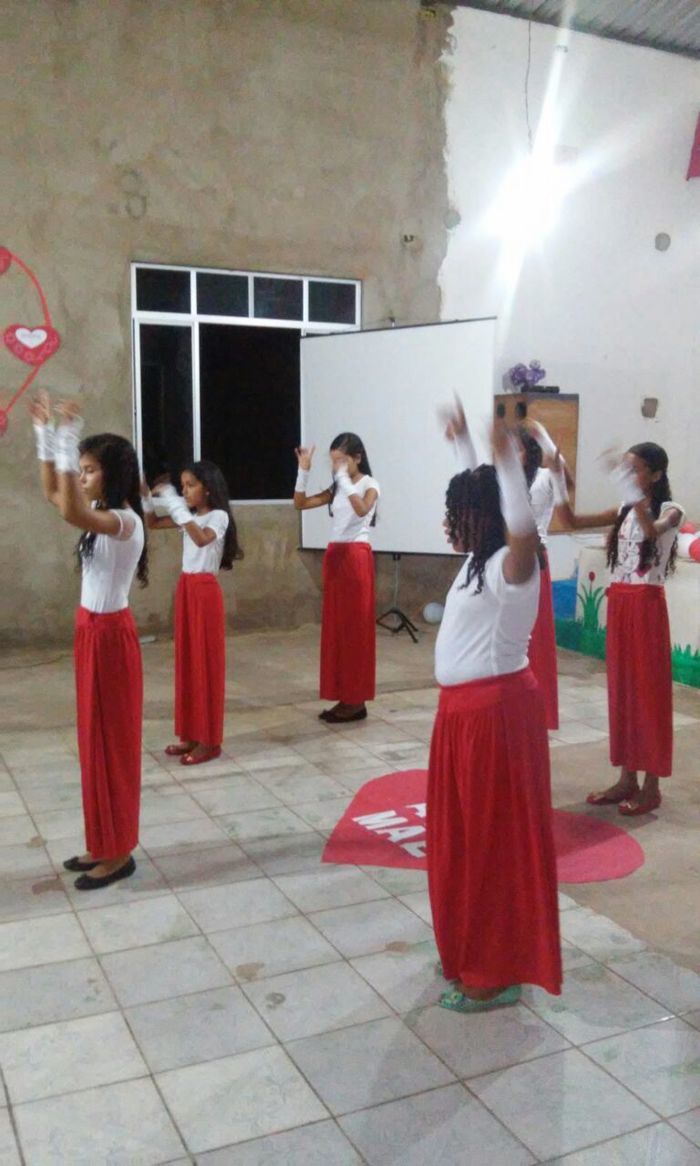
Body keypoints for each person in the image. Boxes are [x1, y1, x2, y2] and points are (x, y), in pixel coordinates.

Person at [428, 420, 562, 1012]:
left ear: (481, 518)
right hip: (461, 716)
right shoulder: (477, 563)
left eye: (455, 514)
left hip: (496, 716)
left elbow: (521, 527)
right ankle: (469, 944)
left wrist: (510, 465)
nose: (445, 525)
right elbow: (474, 487)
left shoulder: (516, 564)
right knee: (460, 841)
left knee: (490, 844)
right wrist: (467, 446)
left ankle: (492, 968)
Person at [30, 391, 147, 890]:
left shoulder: (125, 521)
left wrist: (68, 433)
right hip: (89, 631)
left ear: (113, 474)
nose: (81, 476)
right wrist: (44, 435)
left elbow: (70, 512)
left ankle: (119, 851)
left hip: (110, 639)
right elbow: (54, 496)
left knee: (112, 745)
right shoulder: (98, 509)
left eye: (91, 469)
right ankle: (103, 839)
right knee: (92, 743)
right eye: (80, 468)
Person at [555, 442, 683, 815]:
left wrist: (630, 490)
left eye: (636, 470)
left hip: (645, 607)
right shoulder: (625, 509)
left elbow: (650, 531)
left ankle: (651, 786)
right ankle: (627, 778)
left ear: (656, 474)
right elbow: (572, 522)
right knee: (624, 692)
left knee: (649, 695)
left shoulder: (672, 511)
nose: (628, 477)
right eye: (624, 470)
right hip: (622, 603)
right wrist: (557, 482)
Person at [143, 461, 241, 765]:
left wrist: (172, 499)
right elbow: (153, 523)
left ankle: (210, 740)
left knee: (206, 665)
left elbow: (201, 538)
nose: (185, 491)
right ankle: (191, 734)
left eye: (190, 486)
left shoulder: (218, 516)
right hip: (186, 589)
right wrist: (148, 496)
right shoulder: (192, 517)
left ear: (207, 488)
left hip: (204, 592)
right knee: (188, 663)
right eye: (182, 486)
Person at [293, 433, 379, 723]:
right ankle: (346, 696)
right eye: (333, 463)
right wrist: (303, 470)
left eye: (342, 461)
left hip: (355, 559)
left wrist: (343, 481)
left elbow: (362, 509)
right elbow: (300, 503)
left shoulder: (369, 484)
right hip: (335, 558)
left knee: (355, 632)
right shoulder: (337, 488)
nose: (337, 467)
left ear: (357, 458)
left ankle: (356, 700)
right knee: (338, 632)